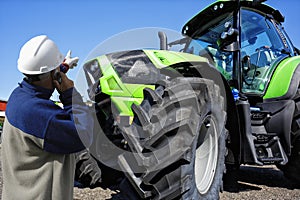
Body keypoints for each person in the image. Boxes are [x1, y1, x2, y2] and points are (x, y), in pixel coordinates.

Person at [1, 35, 93, 200]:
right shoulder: (39, 114)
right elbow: (84, 134)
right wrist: (70, 94)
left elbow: (43, 75)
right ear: (52, 74)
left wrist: (62, 67)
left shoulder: (19, 97)